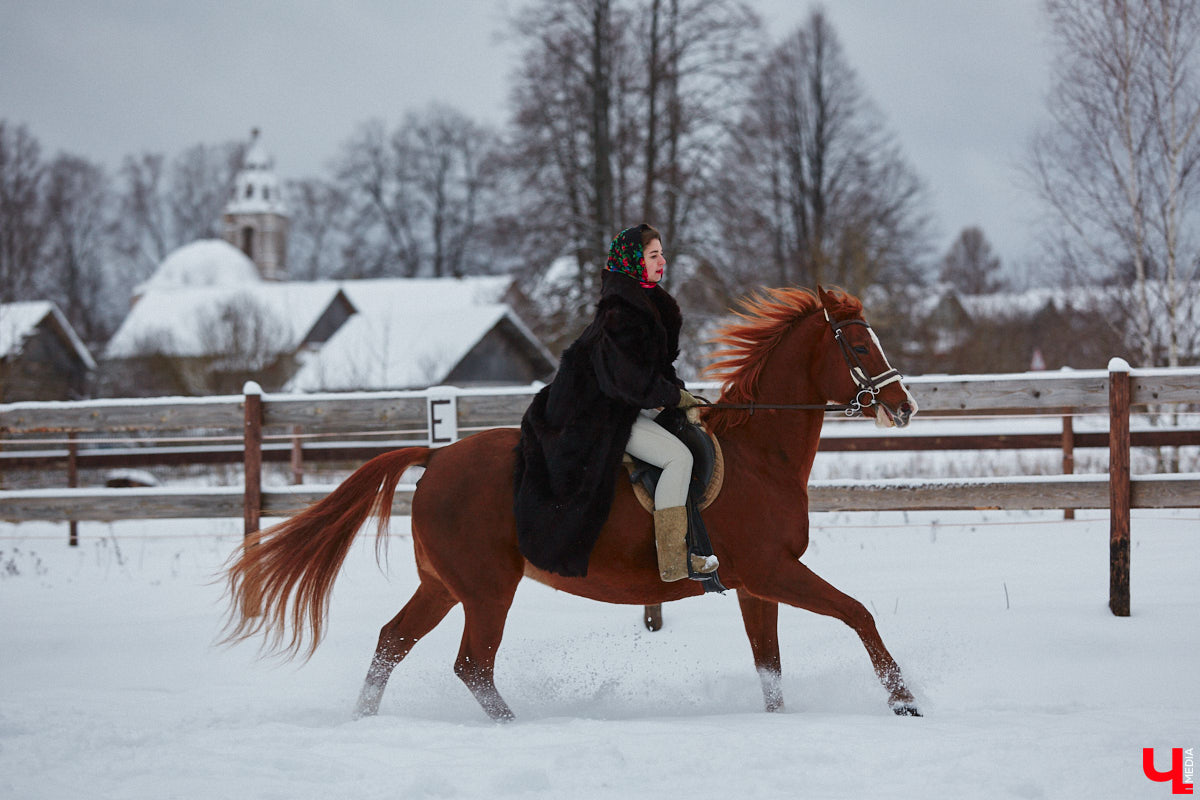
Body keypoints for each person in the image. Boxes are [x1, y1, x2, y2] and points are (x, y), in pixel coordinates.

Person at [513, 224, 718, 582]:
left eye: (662, 254)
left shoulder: (647, 303)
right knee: (678, 458)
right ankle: (675, 560)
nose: (662, 261)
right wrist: (672, 396)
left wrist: (679, 394)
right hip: (595, 415)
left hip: (620, 407)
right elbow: (628, 379)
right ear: (634, 261)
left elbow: (655, 370)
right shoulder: (621, 311)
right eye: (653, 255)